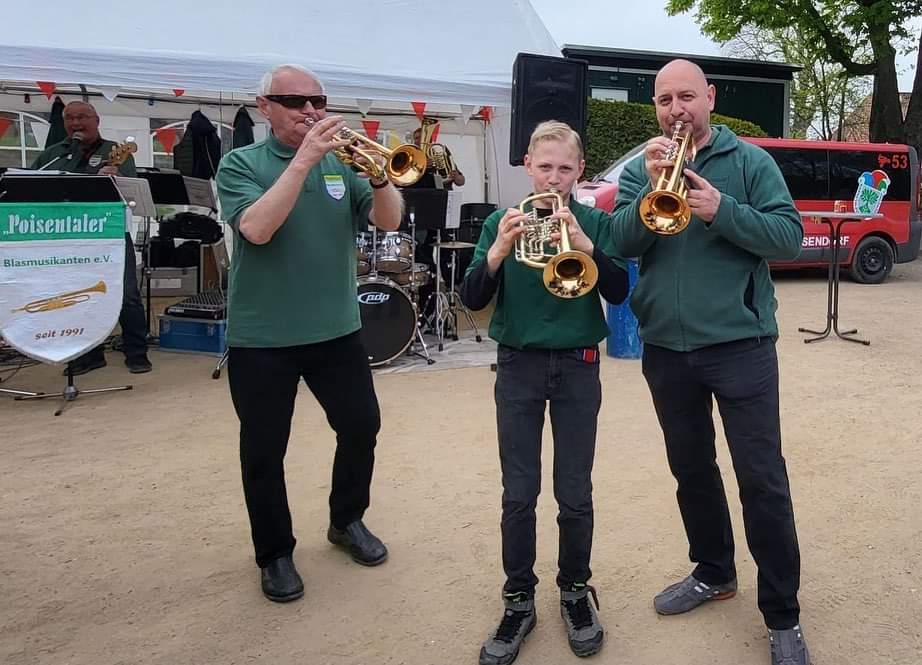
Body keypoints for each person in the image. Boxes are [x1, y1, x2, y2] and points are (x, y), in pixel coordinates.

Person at [610, 59, 808, 665]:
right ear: (656, 106)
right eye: (665, 99)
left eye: (687, 97)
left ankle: (782, 615)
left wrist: (722, 209)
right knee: (691, 469)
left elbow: (788, 236)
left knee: (762, 480)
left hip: (741, 346)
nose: (677, 109)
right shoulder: (639, 166)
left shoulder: (750, 162)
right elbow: (618, 243)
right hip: (667, 348)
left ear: (710, 98)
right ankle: (713, 572)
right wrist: (648, 187)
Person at [215, 64, 402, 603]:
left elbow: (388, 222)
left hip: (336, 330)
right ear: (264, 106)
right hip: (263, 336)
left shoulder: (342, 166)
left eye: (316, 100)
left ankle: (346, 521)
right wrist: (304, 161)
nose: (309, 110)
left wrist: (381, 175)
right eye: (294, 101)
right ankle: (274, 553)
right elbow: (257, 228)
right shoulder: (241, 164)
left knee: (361, 426)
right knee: (265, 449)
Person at [460, 121, 629, 664]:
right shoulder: (499, 222)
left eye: (564, 168)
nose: (554, 178)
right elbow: (472, 297)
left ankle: (575, 591)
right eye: (544, 167)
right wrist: (497, 251)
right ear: (527, 167)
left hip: (579, 363)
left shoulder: (595, 221)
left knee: (575, 490)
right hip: (518, 366)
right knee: (519, 492)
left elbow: (621, 289)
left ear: (579, 171)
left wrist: (585, 245)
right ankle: (518, 600)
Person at [30, 101, 152, 375]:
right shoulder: (53, 153)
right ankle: (89, 353)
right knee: (78, 296)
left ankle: (137, 352)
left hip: (111, 234)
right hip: (69, 237)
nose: (76, 123)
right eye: (70, 118)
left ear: (96, 120)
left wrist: (116, 177)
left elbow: (131, 193)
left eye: (82, 117)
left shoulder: (115, 152)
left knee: (127, 294)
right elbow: (34, 185)